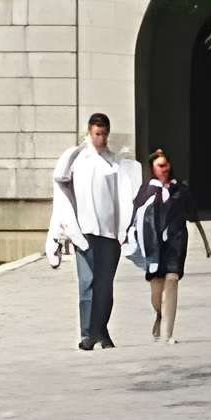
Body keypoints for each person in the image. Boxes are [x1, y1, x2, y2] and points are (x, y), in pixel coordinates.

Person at [49, 112, 139, 350]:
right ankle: (87, 333)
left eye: (104, 134)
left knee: (105, 285)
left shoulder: (114, 162)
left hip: (110, 232)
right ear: (90, 133)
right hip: (85, 230)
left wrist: (125, 231)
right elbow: (60, 177)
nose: (101, 138)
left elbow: (124, 196)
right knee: (87, 281)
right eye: (97, 134)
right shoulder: (79, 159)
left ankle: (101, 330)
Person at [129, 149, 211, 341]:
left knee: (172, 281)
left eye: (166, 164)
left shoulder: (180, 190)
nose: (164, 169)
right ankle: (160, 313)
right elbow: (134, 216)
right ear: (152, 168)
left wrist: (205, 243)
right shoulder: (146, 190)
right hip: (154, 245)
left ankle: (168, 333)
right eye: (160, 165)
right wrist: (126, 237)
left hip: (177, 242)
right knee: (157, 291)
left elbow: (193, 216)